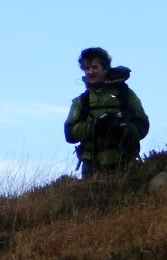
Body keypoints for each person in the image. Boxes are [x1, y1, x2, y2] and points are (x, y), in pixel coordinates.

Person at [64, 47, 149, 178]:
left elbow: (143, 125)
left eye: (94, 67)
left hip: (124, 160)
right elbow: (69, 134)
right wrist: (95, 126)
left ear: (105, 69)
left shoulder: (125, 94)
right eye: (86, 68)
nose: (90, 72)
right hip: (92, 166)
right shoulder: (82, 101)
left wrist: (123, 129)